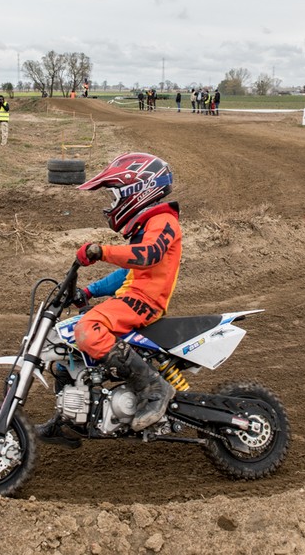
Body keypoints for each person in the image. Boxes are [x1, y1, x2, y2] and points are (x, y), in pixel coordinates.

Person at [37, 152, 181, 447]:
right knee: (68, 354)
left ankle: (153, 387)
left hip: (145, 302)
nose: (114, 203)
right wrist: (86, 292)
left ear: (137, 191)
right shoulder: (146, 227)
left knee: (88, 331)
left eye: (117, 195)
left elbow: (147, 256)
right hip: (131, 296)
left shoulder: (164, 222)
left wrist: (101, 251)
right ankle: (67, 420)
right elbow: (129, 272)